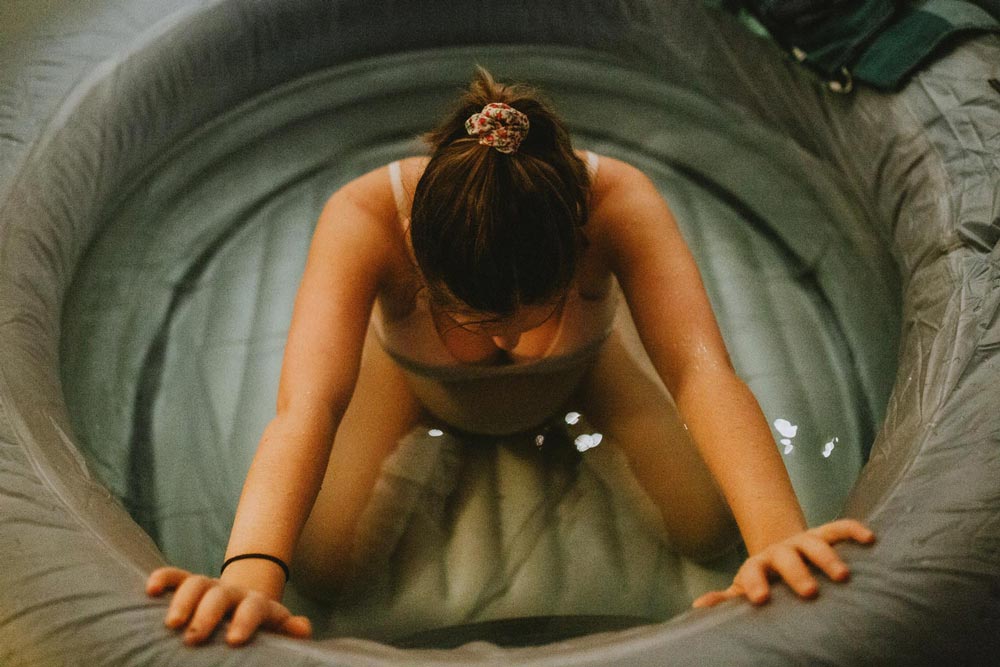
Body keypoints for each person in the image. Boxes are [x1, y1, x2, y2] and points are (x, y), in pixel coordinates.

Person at [145, 68, 875, 646]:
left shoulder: (620, 203)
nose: (501, 343)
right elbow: (307, 406)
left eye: (534, 314)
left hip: (584, 375)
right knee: (319, 569)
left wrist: (779, 536)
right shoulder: (365, 218)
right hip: (410, 384)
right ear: (415, 246)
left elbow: (699, 371)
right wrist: (246, 573)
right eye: (472, 316)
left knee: (710, 529)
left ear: (579, 240)